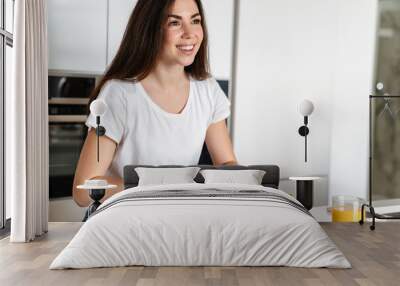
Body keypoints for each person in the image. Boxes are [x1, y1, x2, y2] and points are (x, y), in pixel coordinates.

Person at [73, 0, 237, 207]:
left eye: (195, 21)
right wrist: (160, 187)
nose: (190, 33)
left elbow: (226, 163)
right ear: (150, 29)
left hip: (175, 216)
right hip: (124, 218)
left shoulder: (207, 90)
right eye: (174, 23)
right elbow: (83, 189)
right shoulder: (119, 94)